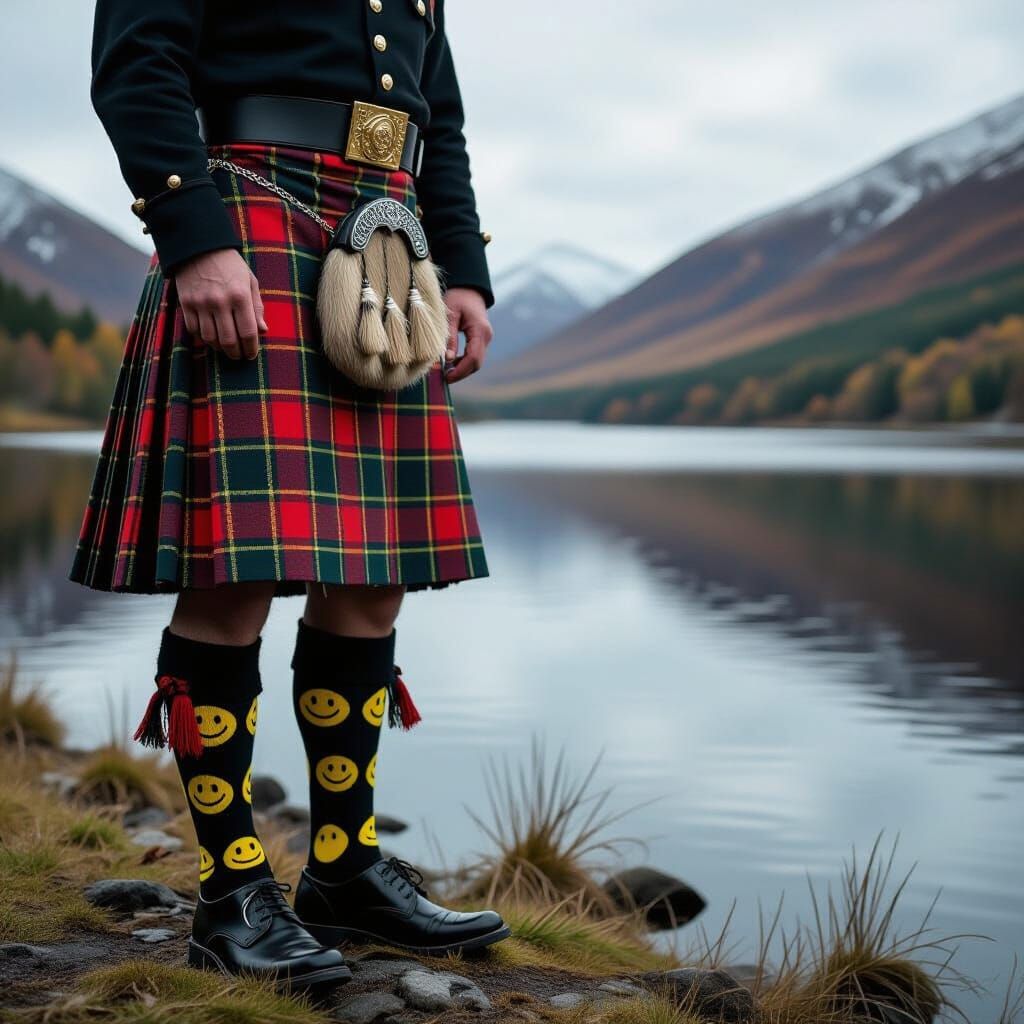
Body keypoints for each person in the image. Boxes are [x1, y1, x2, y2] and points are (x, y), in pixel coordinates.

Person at [70, 0, 507, 988]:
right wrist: (191, 234)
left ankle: (343, 870)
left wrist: (465, 269)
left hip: (385, 239)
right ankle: (233, 894)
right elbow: (137, 60)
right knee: (239, 575)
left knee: (374, 577)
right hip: (250, 215)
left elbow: (436, 113)